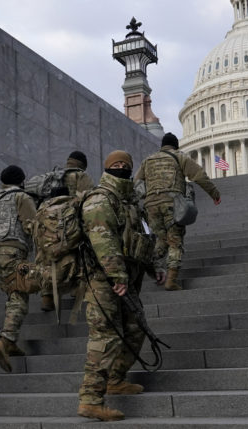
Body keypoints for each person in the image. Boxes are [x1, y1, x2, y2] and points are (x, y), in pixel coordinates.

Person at [77, 151, 149, 422]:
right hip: (102, 278)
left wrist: (156, 269)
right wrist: (116, 274)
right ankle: (90, 400)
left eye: (125, 166)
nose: (121, 169)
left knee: (135, 328)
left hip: (126, 279)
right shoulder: (100, 198)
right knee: (105, 337)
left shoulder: (130, 202)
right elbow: (102, 238)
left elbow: (140, 239)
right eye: (116, 165)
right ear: (107, 169)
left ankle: (115, 379)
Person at [134, 132, 221, 290]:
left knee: (161, 240)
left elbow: (136, 182)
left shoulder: (148, 160)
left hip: (151, 205)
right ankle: (171, 280)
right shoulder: (179, 157)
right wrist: (214, 194)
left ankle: (145, 263)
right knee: (175, 241)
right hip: (172, 203)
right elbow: (199, 175)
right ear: (176, 145)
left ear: (162, 146)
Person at [0, 165, 37, 372]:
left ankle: (12, 343)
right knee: (20, 295)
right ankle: (5, 342)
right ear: (22, 181)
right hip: (11, 251)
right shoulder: (22, 197)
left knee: (12, 294)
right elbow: (31, 226)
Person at [39, 151, 95, 312]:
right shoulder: (81, 176)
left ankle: (47, 296)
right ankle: (77, 289)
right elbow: (88, 200)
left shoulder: (53, 176)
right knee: (79, 252)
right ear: (83, 164)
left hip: (48, 225)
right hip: (71, 224)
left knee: (46, 257)